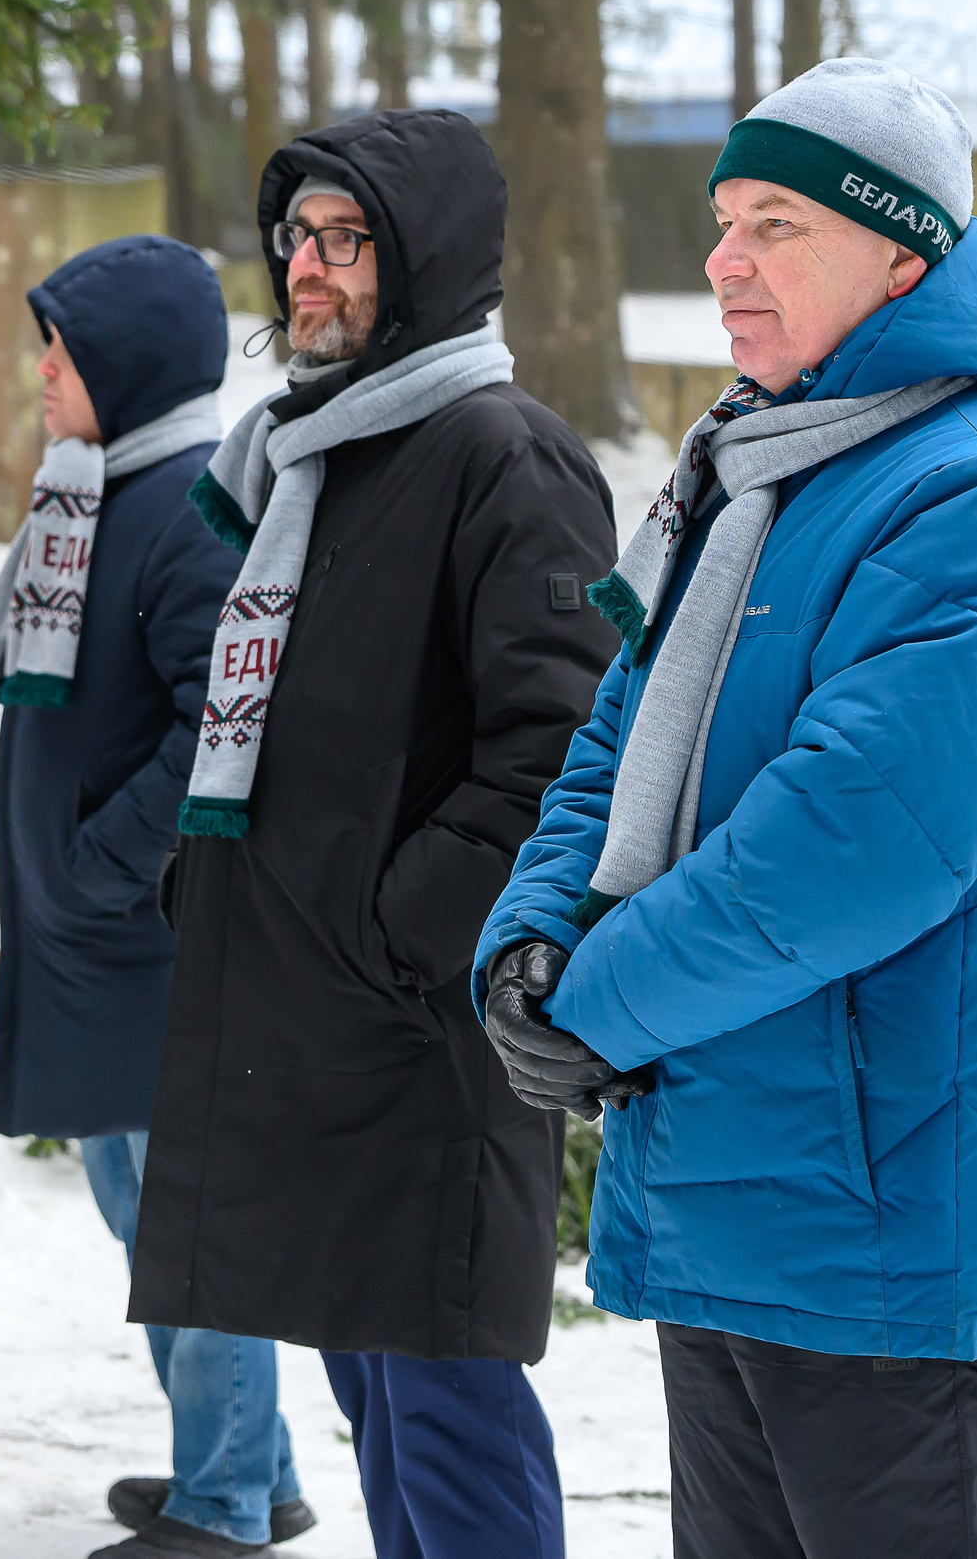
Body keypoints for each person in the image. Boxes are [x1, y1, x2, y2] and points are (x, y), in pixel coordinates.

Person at [475, 58, 977, 1559]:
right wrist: (532, 947)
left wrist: (600, 1000)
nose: (722, 263)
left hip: (882, 1220)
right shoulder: (756, 472)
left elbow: (850, 844)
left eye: (777, 223)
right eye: (722, 222)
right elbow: (615, 744)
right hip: (724, 1181)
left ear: (904, 252)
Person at [128, 110, 620, 1559]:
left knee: (453, 1430)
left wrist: (396, 932)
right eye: (298, 240)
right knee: (388, 1425)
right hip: (324, 1039)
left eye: (349, 242)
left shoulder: (501, 455)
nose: (309, 274)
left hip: (419, 1049)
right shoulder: (316, 457)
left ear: (428, 263)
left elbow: (557, 750)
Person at [0, 235, 317, 1559]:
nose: (43, 372)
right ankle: (249, 1473)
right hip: (95, 935)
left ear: (131, 366)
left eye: (64, 350)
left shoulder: (184, 509)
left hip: (154, 937)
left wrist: (105, 860)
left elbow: (225, 721)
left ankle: (221, 1506)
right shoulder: (89, 497)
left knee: (189, 1231)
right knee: (142, 1215)